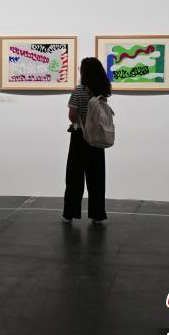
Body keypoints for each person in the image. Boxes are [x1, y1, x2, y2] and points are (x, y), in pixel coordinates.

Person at [62, 57, 112, 224]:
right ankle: (98, 214)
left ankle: (70, 213)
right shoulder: (102, 91)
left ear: (85, 72)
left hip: (80, 136)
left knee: (74, 177)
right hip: (96, 137)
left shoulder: (79, 90)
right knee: (96, 177)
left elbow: (72, 115)